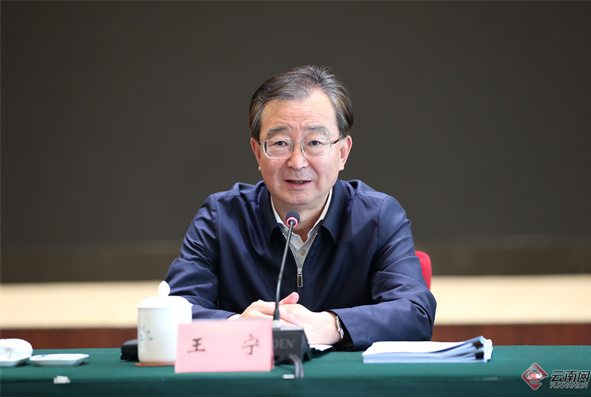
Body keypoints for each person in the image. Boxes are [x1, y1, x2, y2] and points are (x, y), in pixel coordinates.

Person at [165, 65, 436, 350]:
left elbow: (415, 313)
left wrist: (333, 325)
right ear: (258, 153)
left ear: (342, 153)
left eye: (315, 142)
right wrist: (235, 325)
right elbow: (173, 311)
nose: (297, 162)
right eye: (280, 143)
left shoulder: (378, 217)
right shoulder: (222, 217)